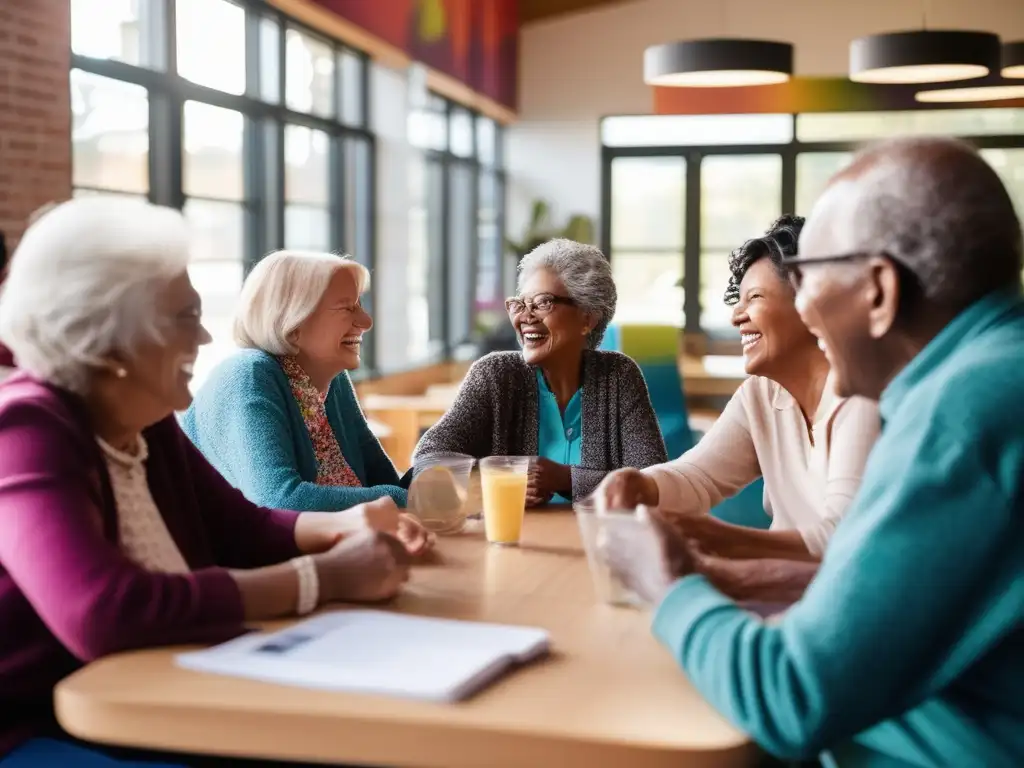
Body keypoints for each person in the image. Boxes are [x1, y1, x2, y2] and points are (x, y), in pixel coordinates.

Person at [602, 136, 1024, 766]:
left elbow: (789, 694)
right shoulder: (993, 374)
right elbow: (901, 598)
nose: (803, 305)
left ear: (878, 289)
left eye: (809, 278)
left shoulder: (963, 414)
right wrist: (716, 574)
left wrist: (670, 587)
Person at [0, 199, 428, 765]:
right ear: (109, 333)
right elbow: (102, 611)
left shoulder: (147, 416)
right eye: (183, 316)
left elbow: (243, 527)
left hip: (165, 696)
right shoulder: (25, 425)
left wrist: (343, 527)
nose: (203, 336)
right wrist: (319, 577)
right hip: (40, 727)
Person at [596, 216, 879, 601]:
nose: (736, 316)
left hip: (842, 607)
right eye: (738, 300)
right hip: (780, 597)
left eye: (755, 298)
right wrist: (641, 483)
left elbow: (842, 539)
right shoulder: (761, 394)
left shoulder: (862, 397)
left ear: (811, 301)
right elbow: (700, 476)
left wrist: (709, 537)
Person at [414, 238, 667, 505]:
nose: (525, 317)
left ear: (587, 318)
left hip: (602, 540)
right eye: (520, 304)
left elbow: (652, 482)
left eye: (543, 303)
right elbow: (428, 460)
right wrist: (497, 481)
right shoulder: (495, 376)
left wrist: (564, 478)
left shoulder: (618, 376)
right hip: (511, 542)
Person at [182, 250, 412, 511]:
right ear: (293, 324)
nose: (366, 321)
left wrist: (427, 478)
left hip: (334, 544)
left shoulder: (332, 378)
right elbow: (279, 501)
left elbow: (380, 479)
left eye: (359, 304)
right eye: (348, 307)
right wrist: (399, 497)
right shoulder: (249, 376)